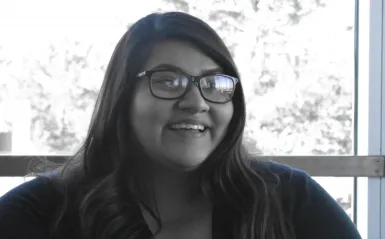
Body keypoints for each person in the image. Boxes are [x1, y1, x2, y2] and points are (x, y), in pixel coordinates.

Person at [0, 12, 361, 239]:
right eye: (168, 81)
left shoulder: (289, 197)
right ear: (122, 97)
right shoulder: (43, 211)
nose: (196, 102)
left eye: (215, 84)